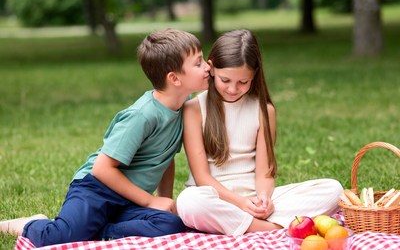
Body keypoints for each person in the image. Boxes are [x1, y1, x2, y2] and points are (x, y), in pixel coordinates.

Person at [0, 28, 210, 247]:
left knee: (171, 225)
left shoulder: (182, 111)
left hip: (129, 200)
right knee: (58, 238)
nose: (207, 67)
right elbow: (102, 169)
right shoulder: (143, 115)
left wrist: (164, 200)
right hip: (97, 189)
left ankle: (95, 229)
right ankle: (31, 224)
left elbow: (165, 158)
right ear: (174, 78)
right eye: (198, 63)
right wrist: (150, 200)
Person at [176, 29, 343, 236]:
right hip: (216, 199)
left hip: (254, 200)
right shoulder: (194, 109)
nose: (232, 89)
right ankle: (268, 229)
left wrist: (264, 198)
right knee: (189, 202)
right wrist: (241, 203)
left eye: (243, 82)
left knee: (334, 190)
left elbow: (265, 172)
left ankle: (246, 225)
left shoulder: (264, 110)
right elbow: (202, 177)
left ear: (254, 75)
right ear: (211, 68)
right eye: (225, 80)